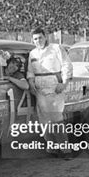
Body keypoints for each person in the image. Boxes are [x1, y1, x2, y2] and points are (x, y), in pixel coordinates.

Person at [27, 27, 73, 159]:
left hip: (54, 87)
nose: (38, 41)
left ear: (45, 36)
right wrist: (31, 83)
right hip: (39, 89)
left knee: (56, 119)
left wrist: (64, 83)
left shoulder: (56, 48)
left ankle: (65, 150)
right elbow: (30, 71)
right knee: (44, 121)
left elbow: (66, 65)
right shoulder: (33, 53)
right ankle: (52, 148)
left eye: (40, 37)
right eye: (35, 39)